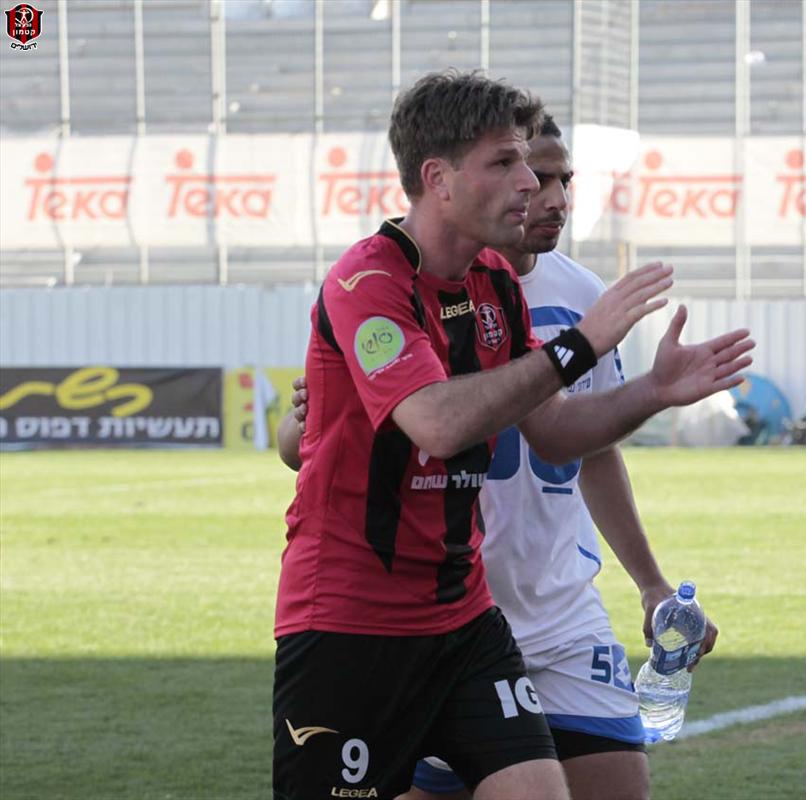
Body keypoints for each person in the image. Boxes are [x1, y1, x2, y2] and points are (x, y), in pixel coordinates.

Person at [272, 70, 753, 800]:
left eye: (531, 164)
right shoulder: (365, 282)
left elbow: (554, 434)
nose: (530, 184)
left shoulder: (493, 281)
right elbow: (438, 423)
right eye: (506, 163)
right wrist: (579, 346)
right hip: (353, 620)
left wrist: (653, 391)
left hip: (466, 617)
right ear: (438, 179)